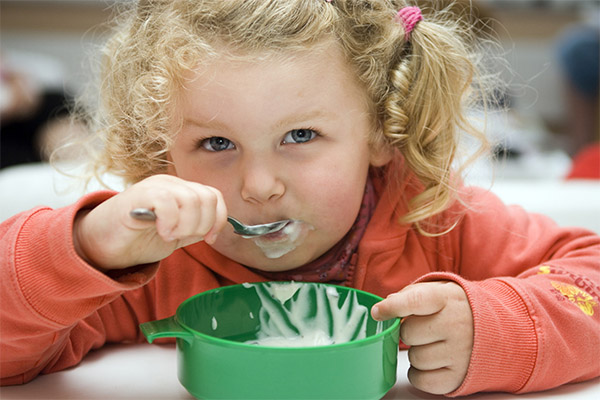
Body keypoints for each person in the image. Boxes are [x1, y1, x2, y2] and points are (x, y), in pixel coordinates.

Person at [1, 0, 599, 397]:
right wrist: (84, 251)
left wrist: (497, 324)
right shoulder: (147, 256)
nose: (259, 185)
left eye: (300, 136)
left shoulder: (440, 223)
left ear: (381, 134)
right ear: (164, 154)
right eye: (216, 142)